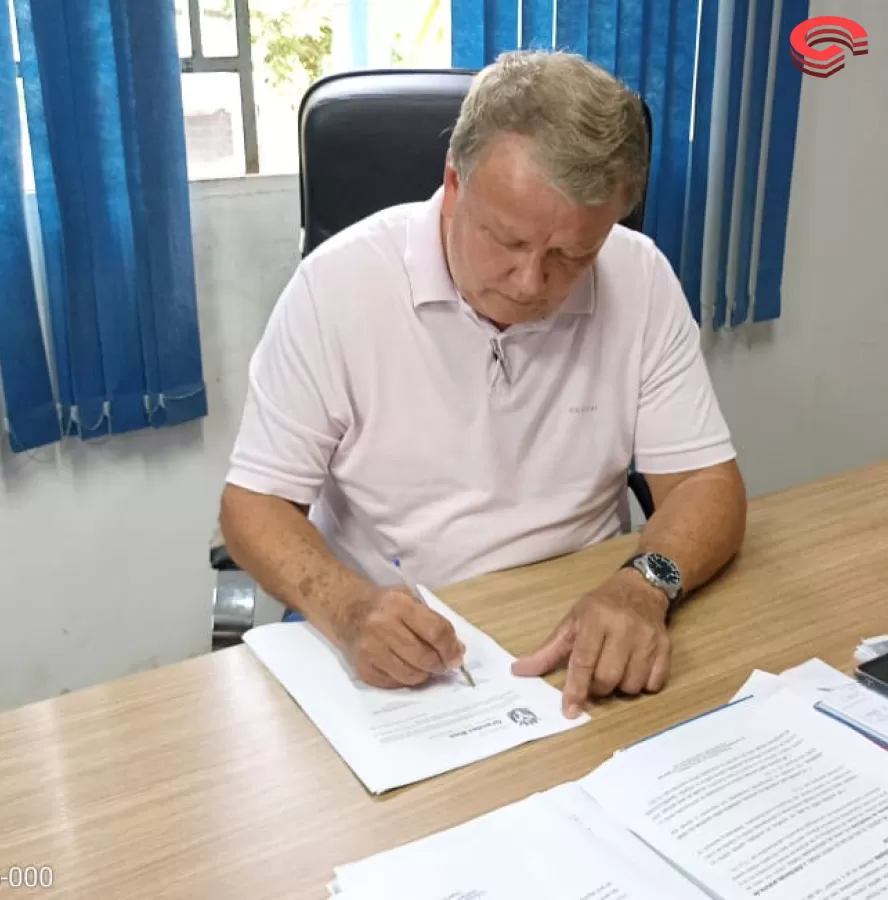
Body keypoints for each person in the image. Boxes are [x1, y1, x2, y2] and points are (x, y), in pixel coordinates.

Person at [220, 49, 747, 719]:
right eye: (506, 239)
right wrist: (347, 606)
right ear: (454, 183)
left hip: (585, 616)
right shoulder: (338, 289)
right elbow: (253, 504)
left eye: (570, 256)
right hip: (395, 631)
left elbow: (707, 485)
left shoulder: (638, 278)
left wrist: (645, 584)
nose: (531, 284)